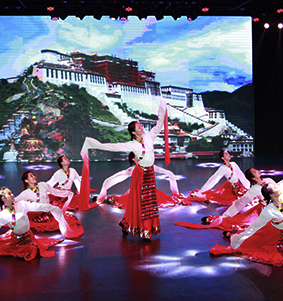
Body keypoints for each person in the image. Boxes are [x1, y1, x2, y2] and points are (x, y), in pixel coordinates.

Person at [80, 99, 168, 239]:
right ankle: (142, 229)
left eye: (140, 125)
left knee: (150, 201)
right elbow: (113, 147)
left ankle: (138, 225)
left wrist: (162, 109)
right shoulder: (131, 144)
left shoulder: (149, 137)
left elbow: (159, 125)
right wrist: (93, 144)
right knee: (139, 201)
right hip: (140, 173)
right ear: (133, 132)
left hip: (150, 173)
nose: (141, 127)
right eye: (138, 127)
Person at [0, 187, 83, 260]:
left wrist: (53, 208)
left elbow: (38, 206)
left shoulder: (21, 204)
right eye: (9, 194)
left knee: (37, 247)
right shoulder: (3, 215)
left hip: (29, 236)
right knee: (32, 251)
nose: (12, 195)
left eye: (12, 193)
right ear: (3, 199)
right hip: (17, 241)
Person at [176, 168, 273, 232]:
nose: (257, 171)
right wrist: (226, 215)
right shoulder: (254, 189)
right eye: (255, 171)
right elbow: (240, 203)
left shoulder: (268, 180)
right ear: (253, 178)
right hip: (267, 209)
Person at [97, 152, 183, 208]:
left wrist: (176, 193)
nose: (142, 160)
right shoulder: (132, 170)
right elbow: (110, 181)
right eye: (139, 158)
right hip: (137, 195)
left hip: (151, 194)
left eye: (142, 157)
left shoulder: (151, 167)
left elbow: (170, 174)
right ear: (134, 160)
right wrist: (102, 194)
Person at [17, 171, 83, 235]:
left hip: (48, 212)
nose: (34, 177)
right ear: (26, 181)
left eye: (34, 175)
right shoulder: (26, 193)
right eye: (31, 176)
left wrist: (67, 193)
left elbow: (55, 191)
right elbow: (16, 200)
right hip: (38, 214)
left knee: (64, 220)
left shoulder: (42, 185)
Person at [186, 149, 251, 205]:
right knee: (232, 201)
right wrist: (202, 190)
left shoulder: (234, 164)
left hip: (238, 186)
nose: (228, 155)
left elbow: (241, 175)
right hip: (230, 188)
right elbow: (214, 179)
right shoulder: (223, 168)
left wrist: (247, 185)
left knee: (246, 198)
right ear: (222, 158)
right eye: (226, 154)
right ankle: (202, 193)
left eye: (228, 153)